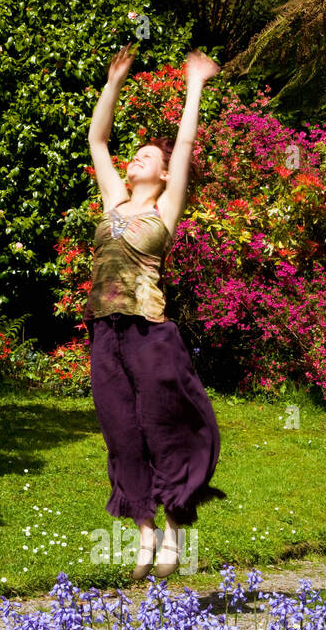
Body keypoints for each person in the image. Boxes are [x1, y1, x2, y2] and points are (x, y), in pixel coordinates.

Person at [84, 43, 226, 580]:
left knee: (161, 427)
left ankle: (172, 529)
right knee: (121, 430)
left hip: (149, 333)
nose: (134, 158)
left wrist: (194, 86)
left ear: (165, 175)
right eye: (135, 155)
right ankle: (144, 528)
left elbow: (185, 141)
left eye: (147, 156)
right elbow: (98, 139)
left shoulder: (166, 206)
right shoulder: (114, 201)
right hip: (105, 335)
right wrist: (114, 80)